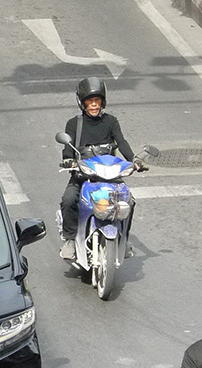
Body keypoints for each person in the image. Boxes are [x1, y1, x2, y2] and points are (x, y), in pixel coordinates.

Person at [58, 76, 141, 261]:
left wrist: (134, 160)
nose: (94, 105)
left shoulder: (111, 121)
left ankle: (124, 239)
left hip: (109, 176)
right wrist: (70, 161)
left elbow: (122, 142)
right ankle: (70, 239)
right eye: (90, 101)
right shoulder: (74, 124)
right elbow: (67, 150)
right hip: (83, 175)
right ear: (82, 103)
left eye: (97, 101)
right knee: (69, 199)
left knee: (129, 201)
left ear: (103, 102)